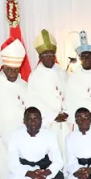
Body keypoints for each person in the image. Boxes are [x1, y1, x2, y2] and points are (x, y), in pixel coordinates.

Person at [6, 108, 66, 179]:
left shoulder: (49, 134)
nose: (33, 122)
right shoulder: (15, 135)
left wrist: (46, 173)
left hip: (44, 169)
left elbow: (58, 161)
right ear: (24, 121)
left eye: (36, 119)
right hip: (23, 170)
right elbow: (12, 163)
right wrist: (29, 174)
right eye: (29, 119)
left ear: (41, 121)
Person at [0, 37, 28, 179]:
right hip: (5, 135)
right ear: (3, 67)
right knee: (6, 162)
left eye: (15, 69)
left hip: (23, 132)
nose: (13, 72)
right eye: (9, 69)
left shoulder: (24, 85)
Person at [26, 30, 69, 164]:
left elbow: (68, 94)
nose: (49, 57)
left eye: (52, 54)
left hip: (65, 124)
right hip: (49, 125)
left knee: (66, 155)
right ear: (40, 56)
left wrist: (66, 112)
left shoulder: (61, 72)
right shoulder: (35, 76)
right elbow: (33, 102)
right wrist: (53, 116)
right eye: (46, 55)